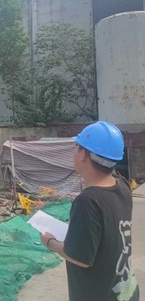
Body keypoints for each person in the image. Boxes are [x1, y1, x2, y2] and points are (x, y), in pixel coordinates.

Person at [40, 121, 139, 301]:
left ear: (84, 155)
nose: (74, 152)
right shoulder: (123, 186)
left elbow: (80, 259)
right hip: (126, 292)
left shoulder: (88, 201)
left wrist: (50, 242)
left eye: (77, 147)